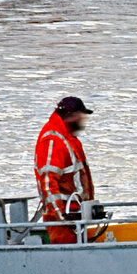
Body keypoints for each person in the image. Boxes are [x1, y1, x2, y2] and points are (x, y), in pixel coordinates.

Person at [33, 96, 94, 244]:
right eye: (81, 118)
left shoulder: (67, 138)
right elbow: (48, 183)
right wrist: (61, 217)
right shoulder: (53, 141)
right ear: (70, 116)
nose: (83, 122)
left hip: (75, 216)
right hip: (64, 221)